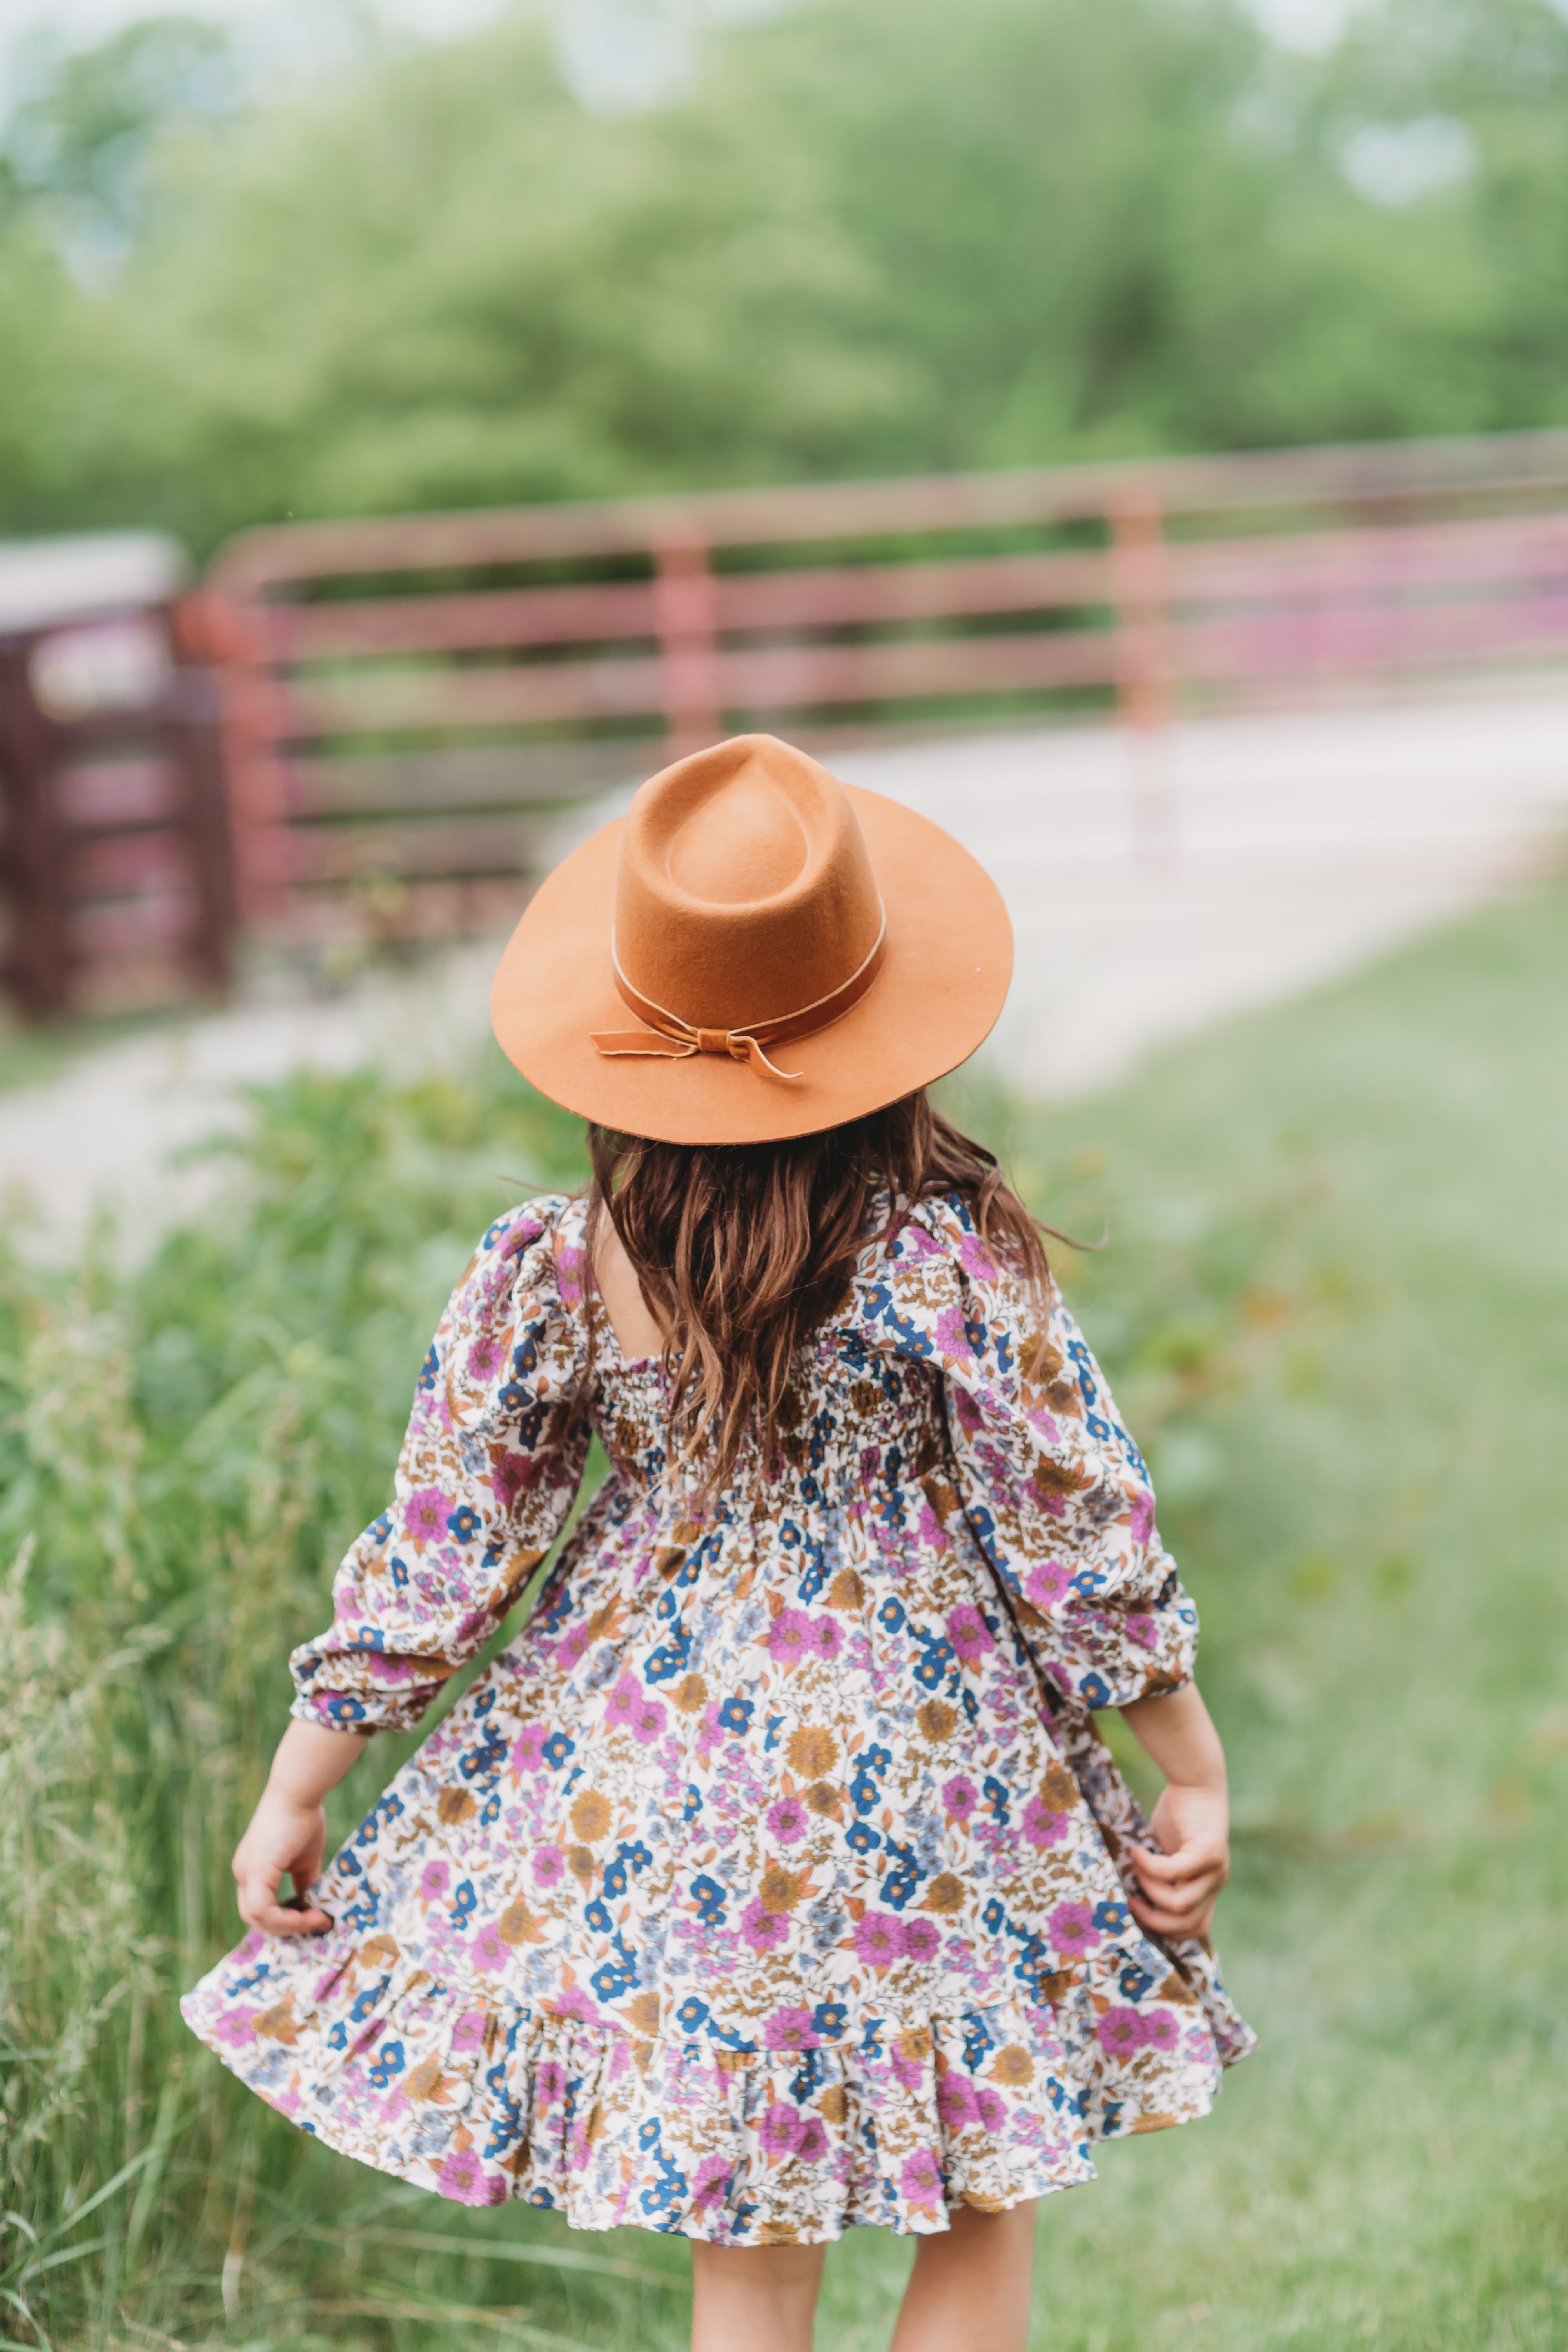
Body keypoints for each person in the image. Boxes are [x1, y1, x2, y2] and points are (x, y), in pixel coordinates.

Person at [183, 734, 1253, 2352]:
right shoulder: (941, 1265)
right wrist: (1189, 1763)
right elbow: (1075, 1538)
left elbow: (444, 1546)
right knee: (976, 2210)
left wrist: (299, 1779)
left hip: (659, 1802)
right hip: (926, 1778)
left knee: (745, 2265)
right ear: (879, 1025)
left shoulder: (555, 1270)